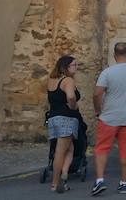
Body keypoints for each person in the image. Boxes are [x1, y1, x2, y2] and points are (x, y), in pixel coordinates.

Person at [91, 42, 126, 196]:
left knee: (102, 148)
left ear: (114, 55)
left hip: (109, 116)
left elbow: (97, 93)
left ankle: (100, 180)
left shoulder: (107, 73)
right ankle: (124, 183)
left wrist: (97, 109)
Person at [46, 55, 81, 193]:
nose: (76, 67)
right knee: (60, 152)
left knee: (70, 148)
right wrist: (73, 106)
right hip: (66, 117)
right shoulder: (68, 80)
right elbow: (71, 97)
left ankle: (65, 173)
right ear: (66, 67)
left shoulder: (51, 80)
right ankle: (55, 183)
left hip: (54, 117)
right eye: (74, 65)